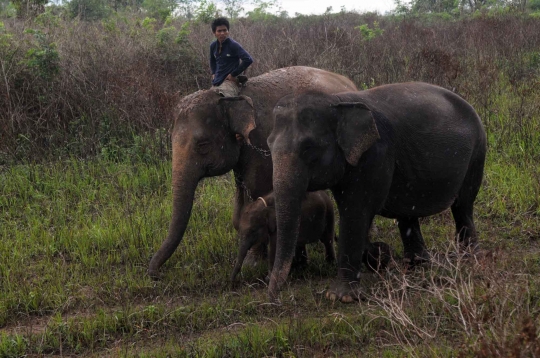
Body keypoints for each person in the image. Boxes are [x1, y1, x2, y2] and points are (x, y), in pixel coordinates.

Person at [210, 17, 253, 97]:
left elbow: (248, 59)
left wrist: (233, 74)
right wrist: (213, 73)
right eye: (219, 31)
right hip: (217, 80)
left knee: (225, 100)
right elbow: (212, 60)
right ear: (214, 33)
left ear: (228, 31)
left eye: (225, 30)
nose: (222, 33)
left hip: (230, 81)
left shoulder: (233, 45)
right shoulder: (213, 46)